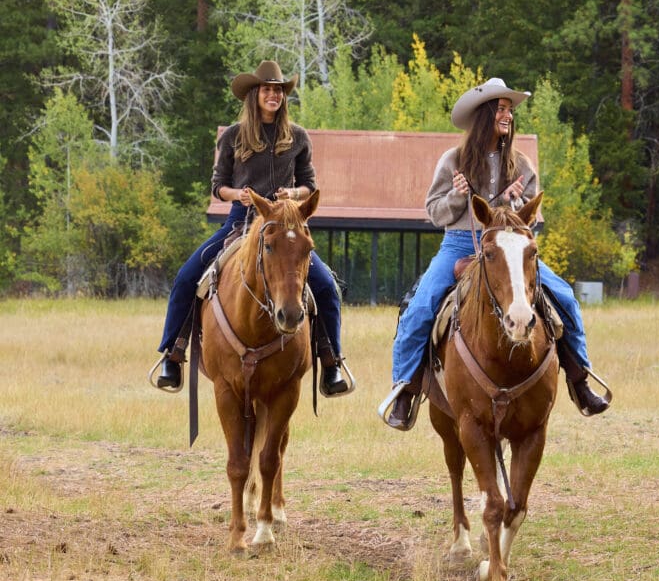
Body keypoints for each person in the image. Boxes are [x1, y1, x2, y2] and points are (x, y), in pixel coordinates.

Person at [383, 77, 610, 430]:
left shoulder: (521, 164)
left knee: (564, 296)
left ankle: (580, 380)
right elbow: (434, 213)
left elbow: (533, 222)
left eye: (510, 110)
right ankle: (405, 390)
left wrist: (514, 205)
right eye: (501, 109)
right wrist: (458, 196)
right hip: (458, 244)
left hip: (511, 249)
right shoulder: (453, 160)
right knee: (422, 305)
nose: (507, 115)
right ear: (485, 114)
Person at [152, 59, 352, 397]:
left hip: (283, 224)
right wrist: (239, 194)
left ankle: (331, 361)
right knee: (188, 277)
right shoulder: (233, 136)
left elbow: (309, 185)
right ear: (255, 94)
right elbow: (218, 187)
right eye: (267, 90)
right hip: (241, 222)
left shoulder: (298, 137)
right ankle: (173, 354)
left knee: (326, 286)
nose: (273, 95)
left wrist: (294, 193)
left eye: (278, 90)